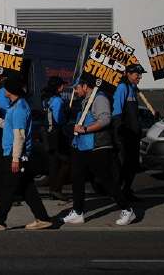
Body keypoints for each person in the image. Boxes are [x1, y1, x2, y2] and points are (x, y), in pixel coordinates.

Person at [0, 77, 54, 231]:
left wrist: (15, 159)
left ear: (11, 91)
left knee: (8, 188)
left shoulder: (19, 108)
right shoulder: (16, 106)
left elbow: (19, 135)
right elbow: (9, 126)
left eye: (5, 88)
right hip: (14, 152)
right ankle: (43, 218)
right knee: (27, 188)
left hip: (15, 153)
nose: (3, 91)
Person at [63, 78, 134, 226]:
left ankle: (127, 209)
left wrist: (85, 129)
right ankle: (77, 211)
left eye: (77, 88)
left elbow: (105, 120)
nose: (74, 91)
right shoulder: (86, 100)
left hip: (98, 146)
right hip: (83, 146)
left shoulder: (99, 98)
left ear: (85, 86)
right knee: (77, 177)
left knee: (105, 179)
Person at [113, 63, 145, 203]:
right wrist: (119, 132)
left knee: (133, 166)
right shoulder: (122, 87)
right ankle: (118, 193)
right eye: (137, 74)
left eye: (140, 74)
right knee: (123, 165)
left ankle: (127, 191)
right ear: (128, 74)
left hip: (134, 134)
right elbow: (117, 111)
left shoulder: (133, 88)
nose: (139, 77)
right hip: (125, 135)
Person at [41, 76, 71, 201]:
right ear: (58, 87)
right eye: (62, 85)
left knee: (53, 163)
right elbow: (59, 118)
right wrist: (67, 114)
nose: (63, 87)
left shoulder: (46, 99)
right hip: (56, 134)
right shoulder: (57, 101)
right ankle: (56, 189)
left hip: (47, 134)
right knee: (66, 162)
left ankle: (53, 190)